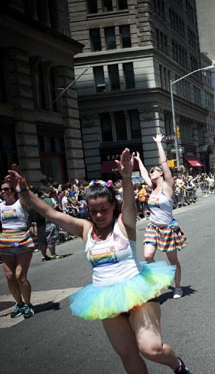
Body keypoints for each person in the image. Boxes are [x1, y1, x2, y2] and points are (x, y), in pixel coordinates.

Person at [6, 152, 191, 373]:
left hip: (138, 293)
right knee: (127, 355)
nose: (99, 215)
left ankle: (177, 366)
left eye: (104, 209)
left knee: (151, 349)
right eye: (94, 211)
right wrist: (24, 190)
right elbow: (48, 212)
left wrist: (125, 177)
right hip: (105, 299)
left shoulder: (125, 225)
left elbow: (130, 204)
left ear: (113, 207)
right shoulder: (85, 229)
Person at [134, 135, 188, 300]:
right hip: (153, 227)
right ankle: (157, 282)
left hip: (168, 228)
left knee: (173, 260)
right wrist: (139, 160)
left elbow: (164, 164)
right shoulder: (152, 187)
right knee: (148, 256)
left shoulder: (167, 186)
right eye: (150, 171)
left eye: (153, 171)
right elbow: (144, 174)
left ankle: (177, 287)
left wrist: (158, 143)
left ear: (161, 174)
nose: (151, 173)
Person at [0, 181, 35, 318]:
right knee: (9, 277)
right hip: (5, 244)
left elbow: (26, 195)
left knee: (20, 276)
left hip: (22, 242)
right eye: (1, 190)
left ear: (13, 191)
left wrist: (21, 182)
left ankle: (28, 304)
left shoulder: (21, 203)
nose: (3, 192)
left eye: (6, 189)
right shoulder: (0, 206)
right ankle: (19, 303)